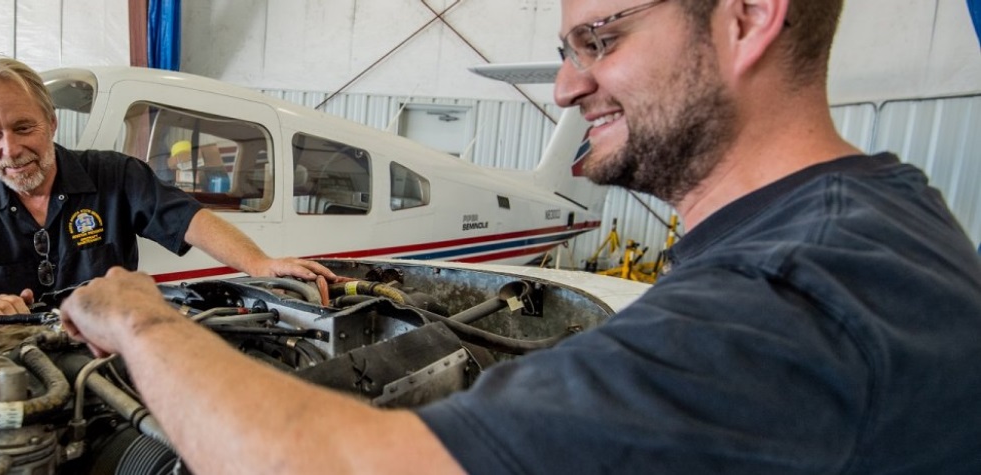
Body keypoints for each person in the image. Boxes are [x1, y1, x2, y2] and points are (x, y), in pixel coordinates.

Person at [57, 0, 981, 473]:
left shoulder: (785, 299)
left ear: (747, 17)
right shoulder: (874, 221)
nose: (567, 87)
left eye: (600, 39)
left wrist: (146, 322)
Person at [0, 57, 338, 316]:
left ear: (51, 122)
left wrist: (260, 264)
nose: (10, 148)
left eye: (23, 127)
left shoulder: (115, 174)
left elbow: (189, 219)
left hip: (111, 352)